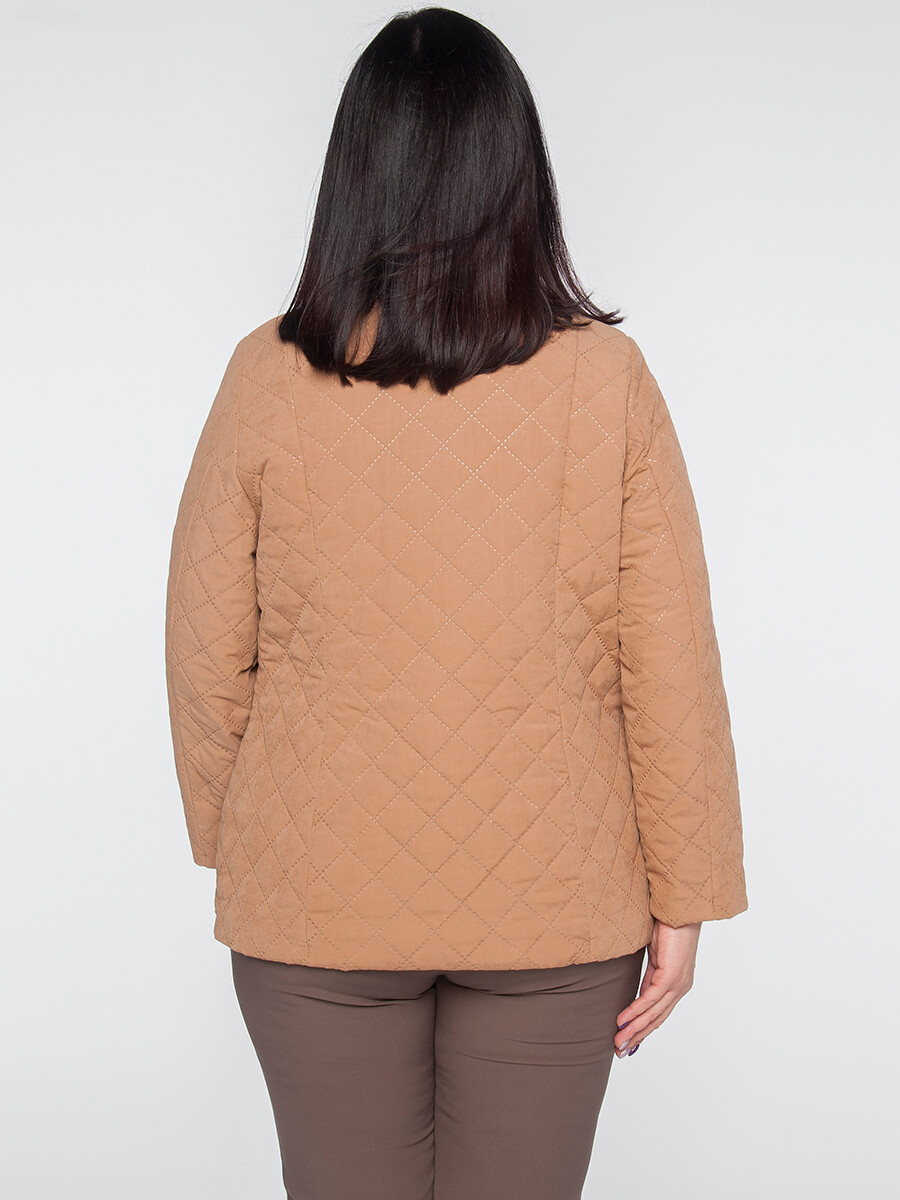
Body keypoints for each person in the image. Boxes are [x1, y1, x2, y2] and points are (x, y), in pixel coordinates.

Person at [164, 7, 748, 1199]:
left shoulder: (265, 374)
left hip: (315, 900)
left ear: (355, 172)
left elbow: (204, 649)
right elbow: (669, 660)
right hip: (556, 908)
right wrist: (687, 895)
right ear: (515, 173)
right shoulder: (606, 380)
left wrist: (256, 840)